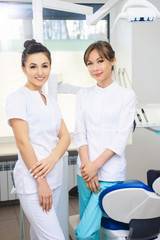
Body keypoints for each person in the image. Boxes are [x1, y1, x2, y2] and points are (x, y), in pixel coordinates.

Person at [6, 39, 70, 240]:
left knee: (38, 235)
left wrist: (51, 160)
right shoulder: (18, 98)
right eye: (33, 66)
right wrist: (41, 181)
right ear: (24, 68)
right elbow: (23, 143)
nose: (40, 72)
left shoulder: (50, 100)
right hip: (34, 183)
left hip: (55, 179)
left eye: (45, 66)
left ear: (50, 66)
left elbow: (65, 137)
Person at [74, 40, 136, 240]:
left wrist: (95, 167)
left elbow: (120, 138)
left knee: (87, 233)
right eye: (90, 63)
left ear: (112, 60)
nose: (95, 68)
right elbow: (79, 132)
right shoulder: (83, 95)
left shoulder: (126, 96)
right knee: (89, 231)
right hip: (84, 173)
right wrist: (87, 167)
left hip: (110, 173)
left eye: (100, 61)